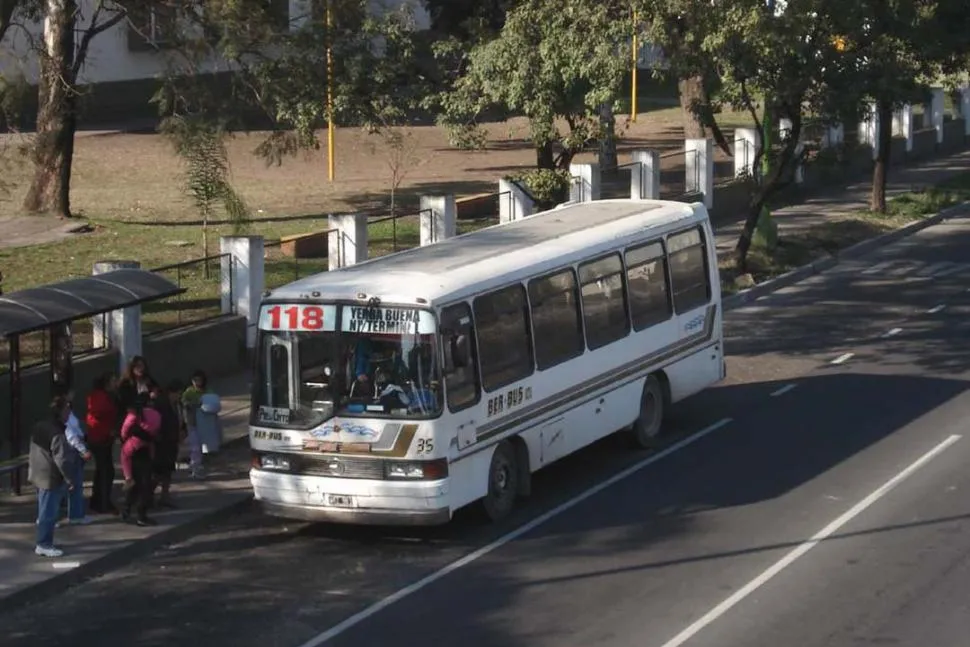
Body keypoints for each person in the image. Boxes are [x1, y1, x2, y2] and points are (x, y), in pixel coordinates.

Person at [29, 396, 75, 558]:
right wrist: (70, 478)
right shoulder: (57, 432)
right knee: (48, 513)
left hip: (38, 472)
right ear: (61, 411)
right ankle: (44, 543)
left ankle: (44, 541)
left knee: (44, 511)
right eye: (68, 409)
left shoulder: (40, 426)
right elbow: (61, 459)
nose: (70, 412)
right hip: (50, 476)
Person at [119, 402, 161, 526]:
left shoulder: (133, 418)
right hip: (143, 454)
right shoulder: (153, 415)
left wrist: (128, 476)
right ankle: (141, 516)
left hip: (133, 452)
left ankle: (126, 511)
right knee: (144, 486)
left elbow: (125, 431)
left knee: (134, 485)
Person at [86, 372, 120, 515]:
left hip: (101, 437)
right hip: (100, 438)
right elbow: (96, 416)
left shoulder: (101, 396)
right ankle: (102, 502)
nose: (115, 383)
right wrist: (109, 431)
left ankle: (98, 500)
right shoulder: (100, 397)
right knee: (106, 471)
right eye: (112, 381)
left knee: (103, 470)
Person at [59, 389, 92, 526]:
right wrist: (83, 450)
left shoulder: (69, 414)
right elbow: (71, 436)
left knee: (71, 485)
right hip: (72, 451)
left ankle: (75, 514)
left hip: (74, 449)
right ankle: (75, 515)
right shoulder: (65, 417)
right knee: (73, 485)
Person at [150, 381, 183, 509]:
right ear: (171, 393)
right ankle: (148, 495)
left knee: (168, 471)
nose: (179, 396)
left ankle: (165, 496)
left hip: (171, 442)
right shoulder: (160, 404)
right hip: (162, 443)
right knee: (159, 472)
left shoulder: (176, 404)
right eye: (178, 394)